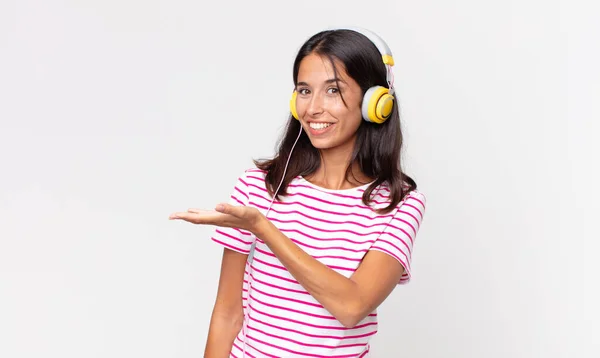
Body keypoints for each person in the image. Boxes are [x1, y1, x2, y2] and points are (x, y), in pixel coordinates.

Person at [169, 27, 427, 358]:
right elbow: (227, 315)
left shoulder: (399, 203)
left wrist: (263, 228)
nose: (313, 108)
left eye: (333, 91)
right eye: (304, 91)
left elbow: (351, 306)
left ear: (374, 103)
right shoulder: (259, 185)